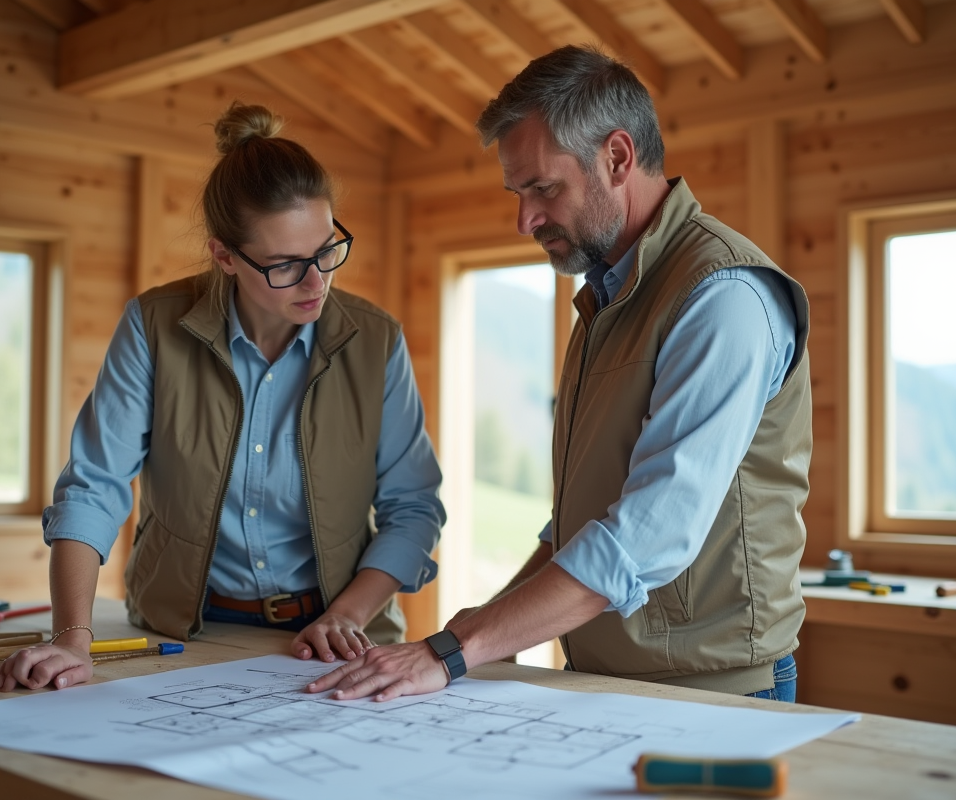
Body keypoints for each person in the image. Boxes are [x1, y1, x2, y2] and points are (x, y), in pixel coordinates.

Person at [309, 45, 811, 703]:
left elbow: (646, 535)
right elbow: (579, 525)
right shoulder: (608, 295)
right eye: (518, 194)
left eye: (544, 189)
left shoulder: (722, 299)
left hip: (713, 694)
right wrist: (474, 640)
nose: (525, 220)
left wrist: (458, 650)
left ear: (618, 158)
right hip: (603, 682)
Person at [0, 102, 445, 692]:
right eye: (285, 264)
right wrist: (71, 636)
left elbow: (413, 506)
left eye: (327, 250)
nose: (317, 282)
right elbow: (94, 485)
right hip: (183, 630)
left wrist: (348, 613)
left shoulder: (376, 339)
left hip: (337, 637)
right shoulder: (154, 325)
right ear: (224, 255)